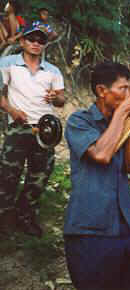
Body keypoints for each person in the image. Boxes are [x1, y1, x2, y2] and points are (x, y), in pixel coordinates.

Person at [63, 62, 130, 290]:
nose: (128, 95)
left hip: (128, 225)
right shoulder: (79, 121)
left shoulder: (121, 122)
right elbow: (102, 154)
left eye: (129, 90)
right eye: (123, 89)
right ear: (102, 91)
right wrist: (124, 111)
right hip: (90, 228)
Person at [0, 25, 64, 237]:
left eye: (41, 40)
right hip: (18, 128)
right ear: (22, 42)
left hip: (45, 131)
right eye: (31, 38)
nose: (36, 43)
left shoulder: (53, 71)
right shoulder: (8, 64)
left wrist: (56, 97)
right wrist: (11, 110)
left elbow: (62, 100)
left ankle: (26, 216)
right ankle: (4, 217)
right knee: (8, 175)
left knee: (39, 177)